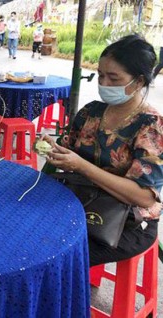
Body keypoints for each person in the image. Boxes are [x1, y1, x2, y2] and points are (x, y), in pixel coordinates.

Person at [42, 35, 162, 267]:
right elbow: (68, 152)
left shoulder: (151, 126)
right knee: (27, 231)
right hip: (79, 202)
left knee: (53, 254)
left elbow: (144, 197)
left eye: (113, 78)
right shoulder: (91, 112)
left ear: (138, 82)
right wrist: (53, 149)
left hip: (126, 221)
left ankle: (62, 300)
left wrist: (82, 167)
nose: (104, 84)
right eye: (101, 75)